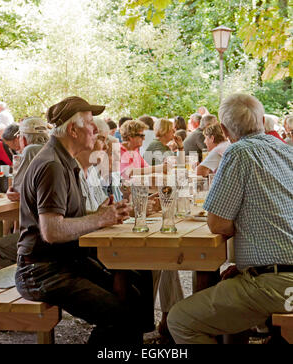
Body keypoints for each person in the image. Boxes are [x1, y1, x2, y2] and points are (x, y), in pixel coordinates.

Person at [15, 96, 148, 344]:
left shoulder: (63, 159)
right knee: (122, 314)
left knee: (134, 292)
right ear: (73, 130)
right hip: (42, 271)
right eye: (89, 123)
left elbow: (66, 219)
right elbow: (51, 231)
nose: (96, 129)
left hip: (64, 263)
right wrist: (99, 220)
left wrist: (102, 214)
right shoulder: (52, 165)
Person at [167, 94, 293, 344]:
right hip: (280, 274)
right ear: (261, 119)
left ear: (223, 129)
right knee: (233, 285)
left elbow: (217, 223)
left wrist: (250, 226)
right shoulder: (286, 150)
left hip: (278, 285)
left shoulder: (239, 152)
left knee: (180, 321)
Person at [0, 118, 49, 270]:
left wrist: (16, 191)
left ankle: (21, 282)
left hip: (45, 232)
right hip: (58, 228)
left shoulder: (31, 150)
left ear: (22, 138)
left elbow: (16, 188)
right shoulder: (54, 148)